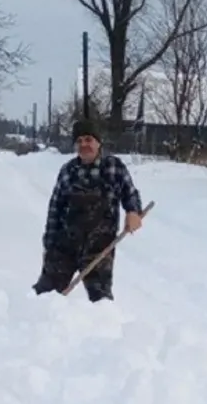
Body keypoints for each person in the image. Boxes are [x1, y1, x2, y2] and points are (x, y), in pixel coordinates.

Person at [33, 118, 144, 302]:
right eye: (79, 141)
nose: (84, 144)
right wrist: (49, 245)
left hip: (99, 249)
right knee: (44, 298)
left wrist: (133, 212)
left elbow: (130, 194)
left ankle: (102, 331)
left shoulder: (114, 167)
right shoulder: (68, 171)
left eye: (88, 139)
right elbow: (55, 210)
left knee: (101, 305)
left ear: (98, 142)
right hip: (65, 247)